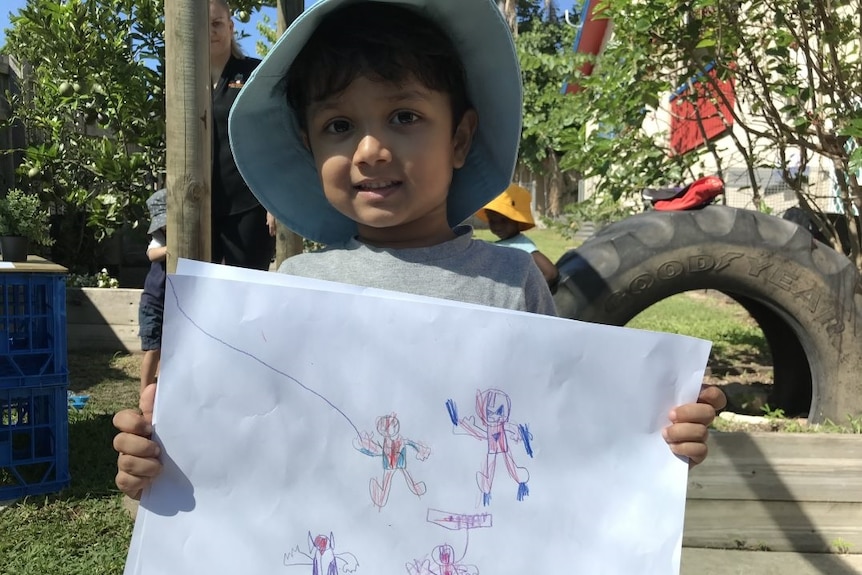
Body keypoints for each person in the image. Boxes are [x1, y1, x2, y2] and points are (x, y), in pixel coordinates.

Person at [114, 0, 725, 499]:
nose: (370, 150)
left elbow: (554, 432)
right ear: (309, 147)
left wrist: (659, 437)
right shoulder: (295, 286)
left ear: (460, 138)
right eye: (338, 126)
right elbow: (248, 456)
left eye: (404, 116)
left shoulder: (510, 285)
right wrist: (163, 455)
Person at [209, 0, 275, 270]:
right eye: (203, 26)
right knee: (196, 295)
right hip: (199, 203)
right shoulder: (184, 79)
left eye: (217, 24)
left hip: (250, 203)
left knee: (248, 291)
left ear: (231, 26)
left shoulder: (255, 73)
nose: (211, 31)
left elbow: (276, 135)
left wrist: (274, 202)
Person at [476, 184, 560, 291]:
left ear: (517, 221)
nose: (497, 226)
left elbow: (550, 273)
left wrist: (525, 294)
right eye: (492, 220)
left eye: (504, 220)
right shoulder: (502, 244)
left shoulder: (522, 245)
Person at [138, 189, 167, 395]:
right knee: (153, 348)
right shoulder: (160, 237)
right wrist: (170, 249)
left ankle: (162, 391)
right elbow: (151, 254)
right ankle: (144, 393)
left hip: (173, 303)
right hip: (153, 303)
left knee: (168, 350)